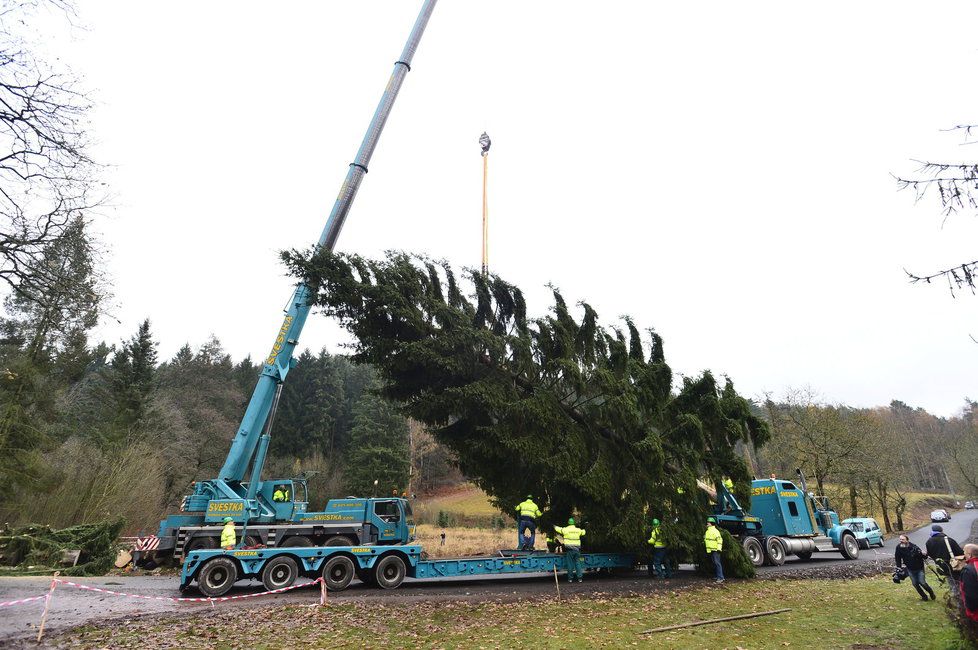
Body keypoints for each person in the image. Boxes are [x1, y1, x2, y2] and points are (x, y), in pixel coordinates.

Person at [895, 534, 935, 601]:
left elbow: (924, 557)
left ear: (907, 540)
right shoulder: (899, 547)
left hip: (919, 568)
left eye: (903, 539)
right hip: (910, 569)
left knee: (922, 582)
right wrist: (899, 567)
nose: (901, 541)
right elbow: (897, 558)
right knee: (915, 584)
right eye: (900, 539)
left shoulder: (914, 547)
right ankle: (924, 597)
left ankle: (931, 593)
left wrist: (924, 554)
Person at [554, 518, 586, 583]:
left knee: (570, 564)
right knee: (577, 563)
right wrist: (585, 526)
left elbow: (558, 529)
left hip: (570, 550)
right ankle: (580, 578)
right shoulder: (578, 530)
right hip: (577, 550)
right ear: (574, 523)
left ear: (568, 523)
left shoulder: (566, 530)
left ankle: (570, 579)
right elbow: (584, 532)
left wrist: (554, 526)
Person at [960, 544, 978, 623]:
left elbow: (969, 593)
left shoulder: (969, 570)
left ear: (970, 555)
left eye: (964, 552)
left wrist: (970, 609)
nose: (963, 554)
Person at [705, 517, 724, 584]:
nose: (707, 523)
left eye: (708, 522)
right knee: (715, 563)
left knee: (717, 563)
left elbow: (719, 540)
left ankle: (721, 577)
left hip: (716, 549)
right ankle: (718, 576)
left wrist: (719, 548)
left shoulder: (715, 531)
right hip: (711, 549)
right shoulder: (708, 531)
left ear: (711, 523)